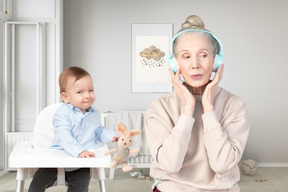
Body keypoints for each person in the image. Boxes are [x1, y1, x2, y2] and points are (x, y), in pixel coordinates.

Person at [145, 15, 250, 192]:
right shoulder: (159, 108)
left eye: (203, 55)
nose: (195, 64)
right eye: (186, 56)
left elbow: (221, 165)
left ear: (216, 62)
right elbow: (170, 165)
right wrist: (188, 111)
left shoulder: (235, 106)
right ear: (175, 64)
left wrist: (209, 109)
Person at [28, 66, 119, 192]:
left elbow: (98, 131)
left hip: (81, 163)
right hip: (57, 158)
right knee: (37, 183)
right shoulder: (62, 113)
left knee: (81, 186)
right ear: (66, 97)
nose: (87, 95)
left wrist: (113, 136)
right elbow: (63, 135)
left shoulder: (94, 113)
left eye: (91, 90)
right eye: (80, 92)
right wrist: (79, 150)